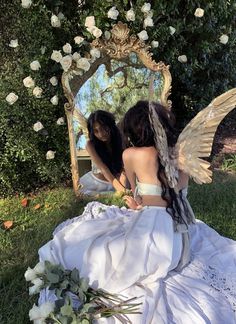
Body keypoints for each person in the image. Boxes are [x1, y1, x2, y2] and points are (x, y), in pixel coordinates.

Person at [38, 101, 236, 323]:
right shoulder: (181, 155)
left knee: (91, 255)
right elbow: (176, 196)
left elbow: (137, 195)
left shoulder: (131, 154)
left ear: (134, 129)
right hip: (179, 240)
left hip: (152, 238)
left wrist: (138, 203)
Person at [80, 110, 126, 194]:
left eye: (103, 128)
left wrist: (122, 186)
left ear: (110, 126)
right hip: (94, 184)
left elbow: (124, 169)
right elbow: (103, 169)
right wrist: (122, 191)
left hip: (117, 184)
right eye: (96, 131)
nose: (101, 134)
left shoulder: (121, 141)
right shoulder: (90, 145)